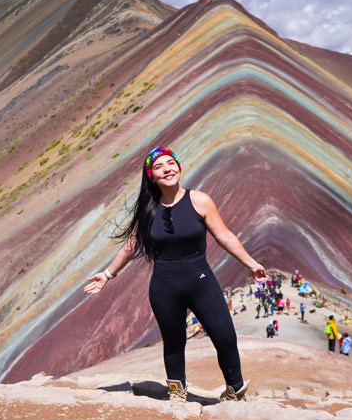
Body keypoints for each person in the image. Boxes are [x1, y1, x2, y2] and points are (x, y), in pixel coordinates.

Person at [84, 146, 267, 403]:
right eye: (159, 167)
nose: (167, 169)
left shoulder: (199, 200)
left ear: (179, 167)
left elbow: (224, 235)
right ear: (152, 177)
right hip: (164, 287)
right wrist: (107, 275)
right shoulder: (148, 210)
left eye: (170, 163)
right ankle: (177, 393)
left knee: (225, 335)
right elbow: (131, 245)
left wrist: (251, 263)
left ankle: (234, 391)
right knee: (173, 342)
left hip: (201, 281)